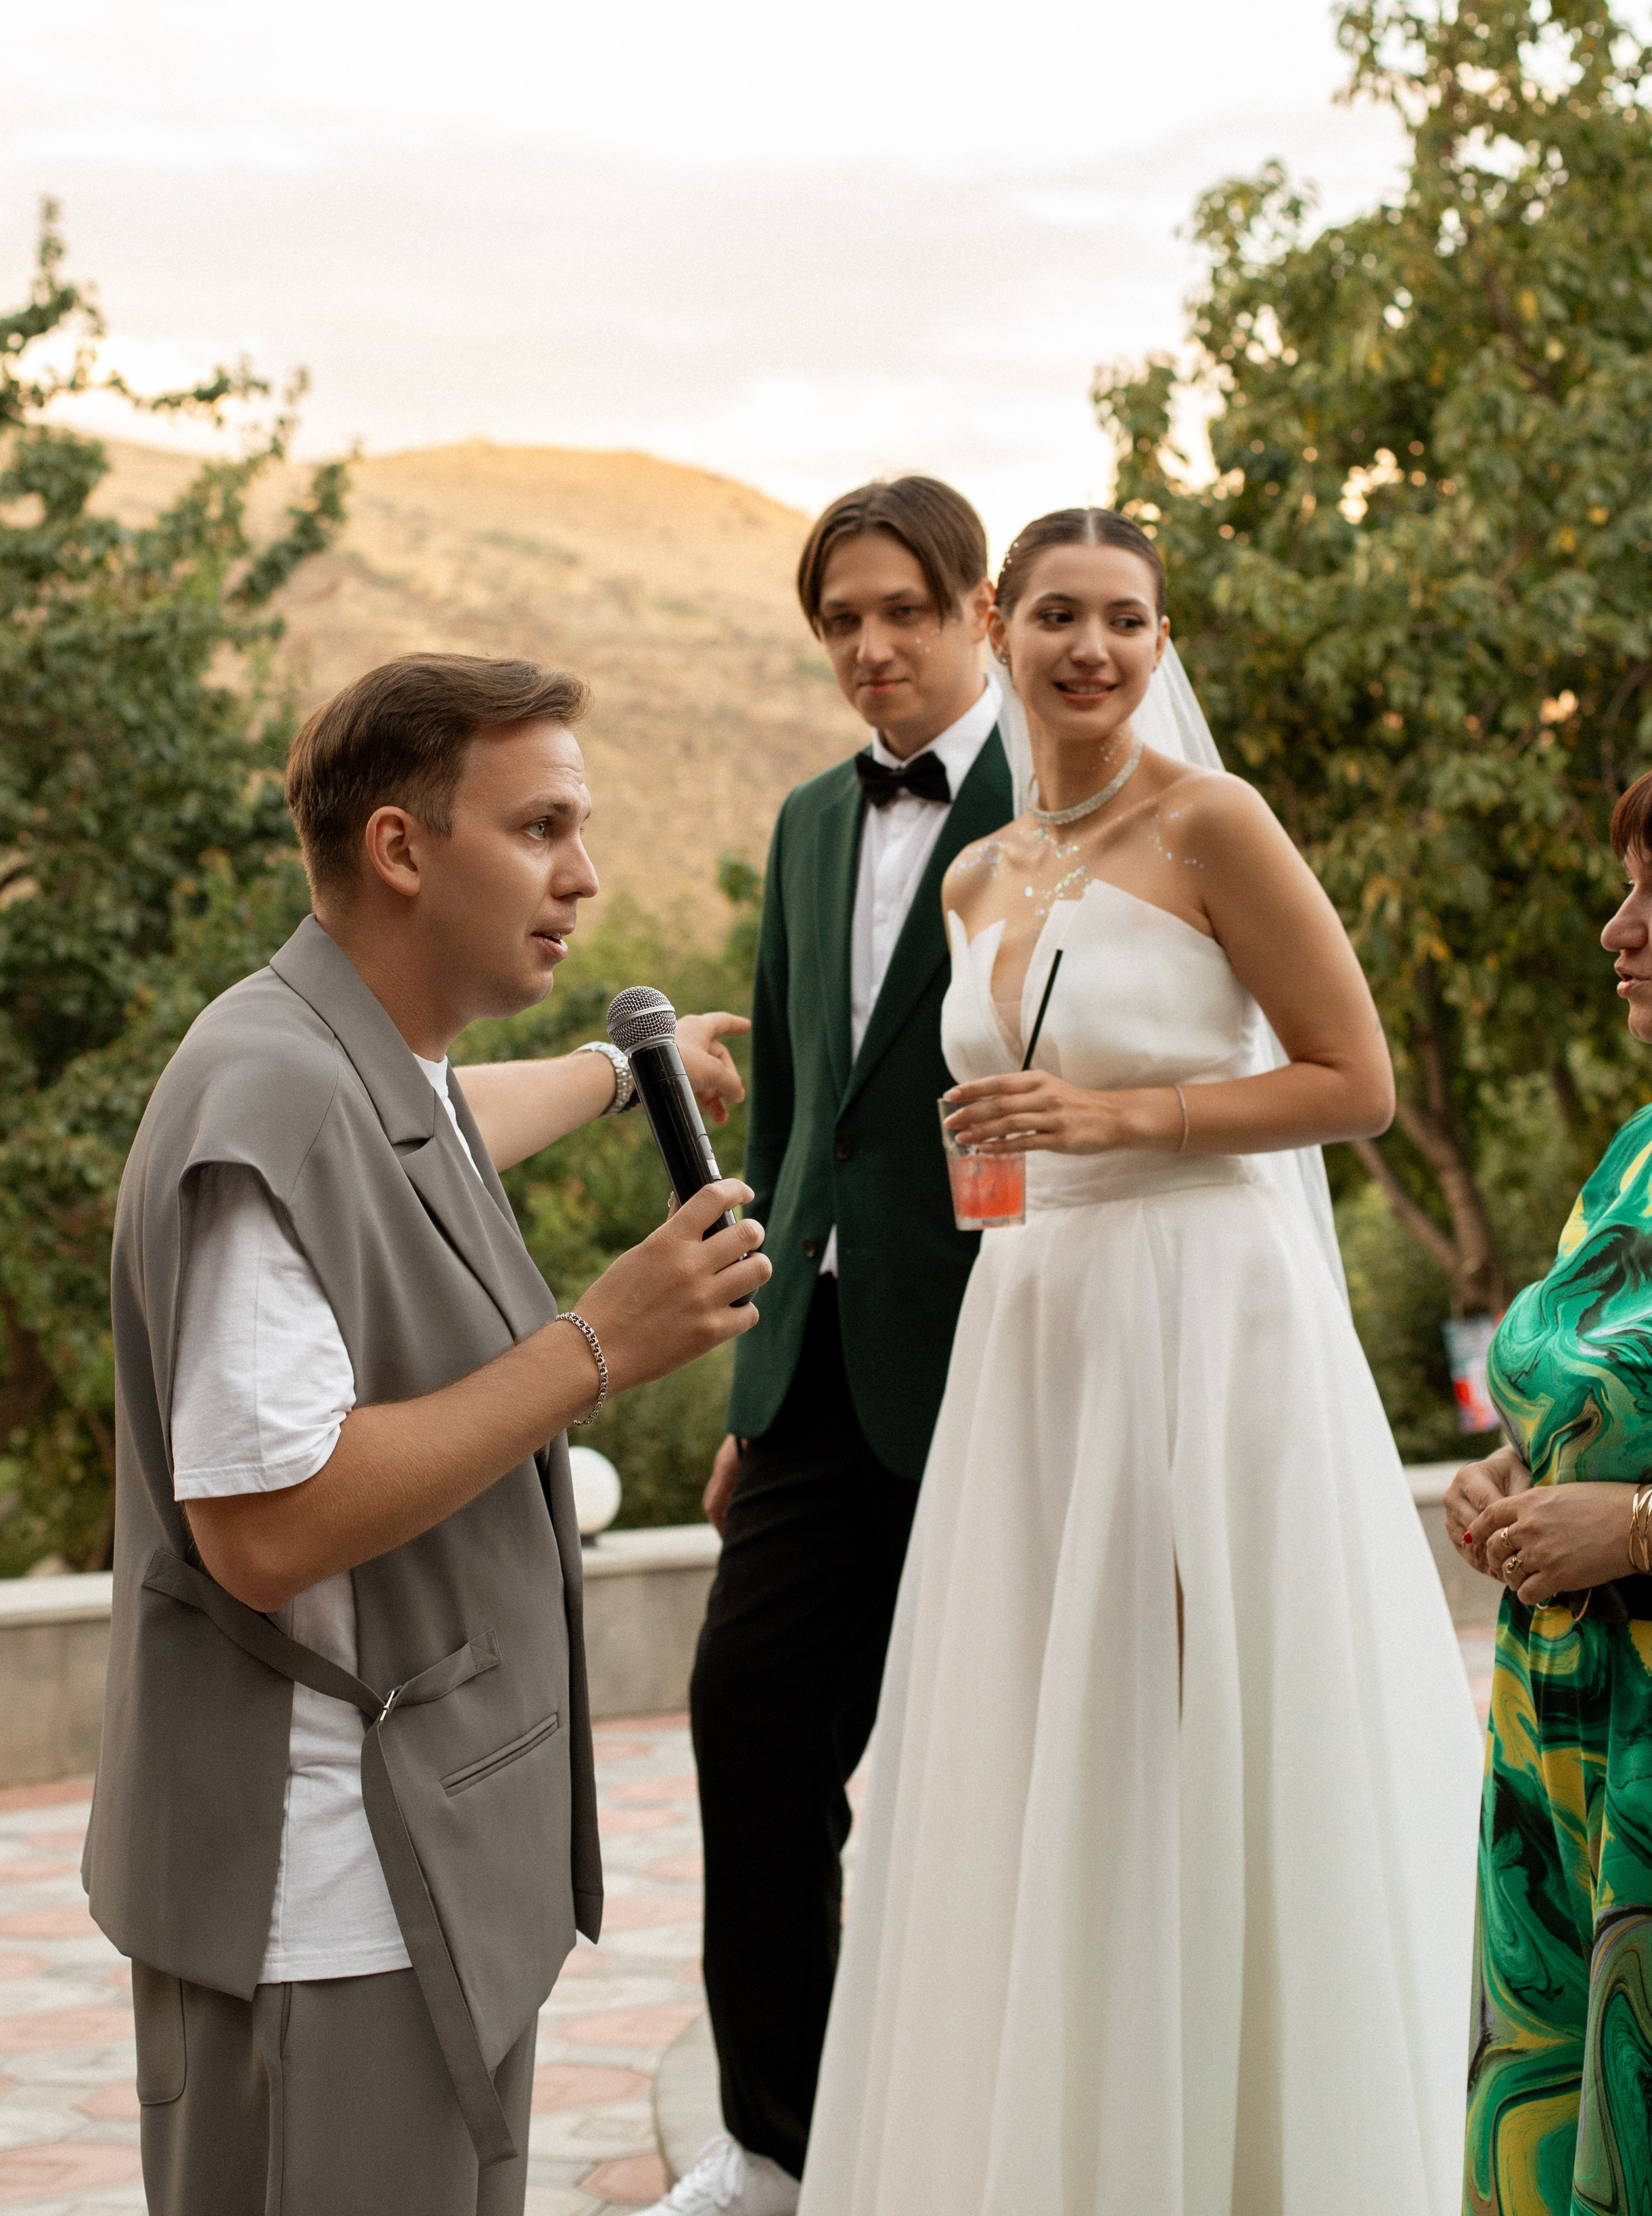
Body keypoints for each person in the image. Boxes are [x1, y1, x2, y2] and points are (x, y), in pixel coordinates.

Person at [796, 507, 1483, 2216]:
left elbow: (1353, 1081)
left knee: (1201, 1720)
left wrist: (1118, 1114)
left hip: (1201, 1307)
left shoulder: (1215, 825)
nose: (1088, 648)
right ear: (998, 626)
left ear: (1159, 644)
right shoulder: (974, 875)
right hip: (1036, 1324)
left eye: (1124, 619)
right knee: (1055, 1732)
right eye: (1054, 617)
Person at [83, 652, 770, 2216]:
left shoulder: (353, 1061)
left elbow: (435, 1129)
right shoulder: (267, 1098)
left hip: (407, 1874)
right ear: (401, 849)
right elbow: (261, 1528)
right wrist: (597, 1348)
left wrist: (622, 1074)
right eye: (540, 830)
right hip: (323, 1894)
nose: (582, 878)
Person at [644, 476, 1012, 2216]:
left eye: (901, 614)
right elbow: (794, 1109)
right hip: (813, 1373)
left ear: (978, 610)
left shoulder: (1067, 795)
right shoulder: (802, 824)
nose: (870, 649)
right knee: (751, 1727)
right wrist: (750, 1379)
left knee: (998, 1754)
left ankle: (987, 2118)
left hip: (1003, 1367)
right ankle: (777, 2143)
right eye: (841, 621)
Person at [1446, 768, 1652, 2215]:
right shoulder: (1637, 1148)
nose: (1611, 927)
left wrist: (1633, 1528)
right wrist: (1512, 1476)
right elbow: (1578, 1383)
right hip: (1556, 1766)